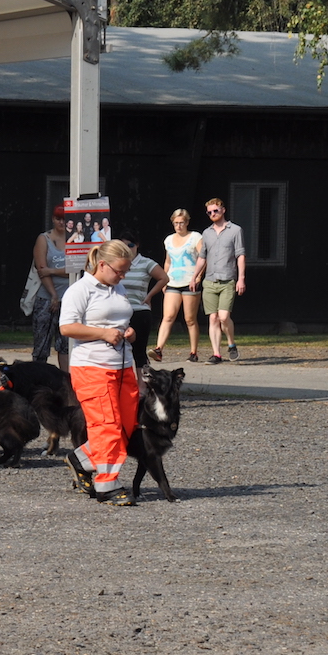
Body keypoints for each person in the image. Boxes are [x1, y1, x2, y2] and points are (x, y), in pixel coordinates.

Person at [60, 240, 140, 506]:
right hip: (91, 366)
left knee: (126, 425)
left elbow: (122, 321)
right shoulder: (79, 290)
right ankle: (107, 484)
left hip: (122, 364)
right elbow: (66, 327)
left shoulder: (118, 288)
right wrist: (103, 333)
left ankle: (81, 460)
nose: (123, 276)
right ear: (102, 265)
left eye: (126, 271)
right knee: (106, 425)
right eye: (119, 270)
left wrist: (129, 332)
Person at [196, 198, 245, 364]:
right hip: (209, 280)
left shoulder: (235, 230)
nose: (213, 214)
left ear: (223, 210)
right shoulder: (206, 233)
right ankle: (216, 354)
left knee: (224, 317)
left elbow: (240, 255)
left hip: (227, 279)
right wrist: (195, 276)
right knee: (213, 318)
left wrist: (241, 278)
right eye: (209, 212)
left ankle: (231, 344)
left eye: (215, 210)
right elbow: (202, 257)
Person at [151, 209, 203, 362]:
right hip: (173, 281)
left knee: (190, 319)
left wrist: (198, 276)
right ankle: (159, 349)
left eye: (181, 223)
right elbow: (168, 261)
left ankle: (193, 352)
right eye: (176, 223)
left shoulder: (195, 237)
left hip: (190, 281)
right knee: (168, 316)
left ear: (187, 222)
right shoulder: (169, 240)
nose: (179, 226)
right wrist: (164, 278)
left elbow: (202, 258)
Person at [117, 234, 167, 381]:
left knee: (139, 351)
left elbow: (164, 278)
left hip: (139, 310)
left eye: (131, 245)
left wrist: (150, 295)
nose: (128, 249)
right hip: (120, 311)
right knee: (119, 350)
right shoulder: (117, 263)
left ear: (137, 245)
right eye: (124, 246)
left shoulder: (145, 263)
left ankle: (143, 385)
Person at [29, 207, 71, 369]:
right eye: (58, 219)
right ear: (53, 219)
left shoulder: (75, 240)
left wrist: (52, 271)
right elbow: (42, 270)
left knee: (65, 344)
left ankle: (66, 378)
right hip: (46, 297)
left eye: (65, 219)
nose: (62, 223)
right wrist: (53, 295)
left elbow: (75, 269)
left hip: (68, 298)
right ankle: (38, 377)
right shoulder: (44, 239)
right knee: (41, 345)